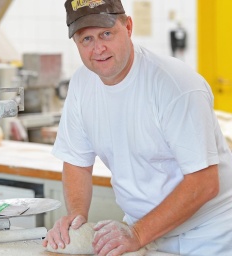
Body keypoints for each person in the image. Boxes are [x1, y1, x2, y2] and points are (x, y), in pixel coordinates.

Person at [43, 0, 232, 255]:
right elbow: (77, 161)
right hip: (141, 231)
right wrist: (76, 216)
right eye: (86, 39)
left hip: (206, 235)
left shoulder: (174, 85)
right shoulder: (81, 84)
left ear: (128, 27)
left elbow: (204, 183)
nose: (98, 48)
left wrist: (138, 234)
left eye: (106, 34)